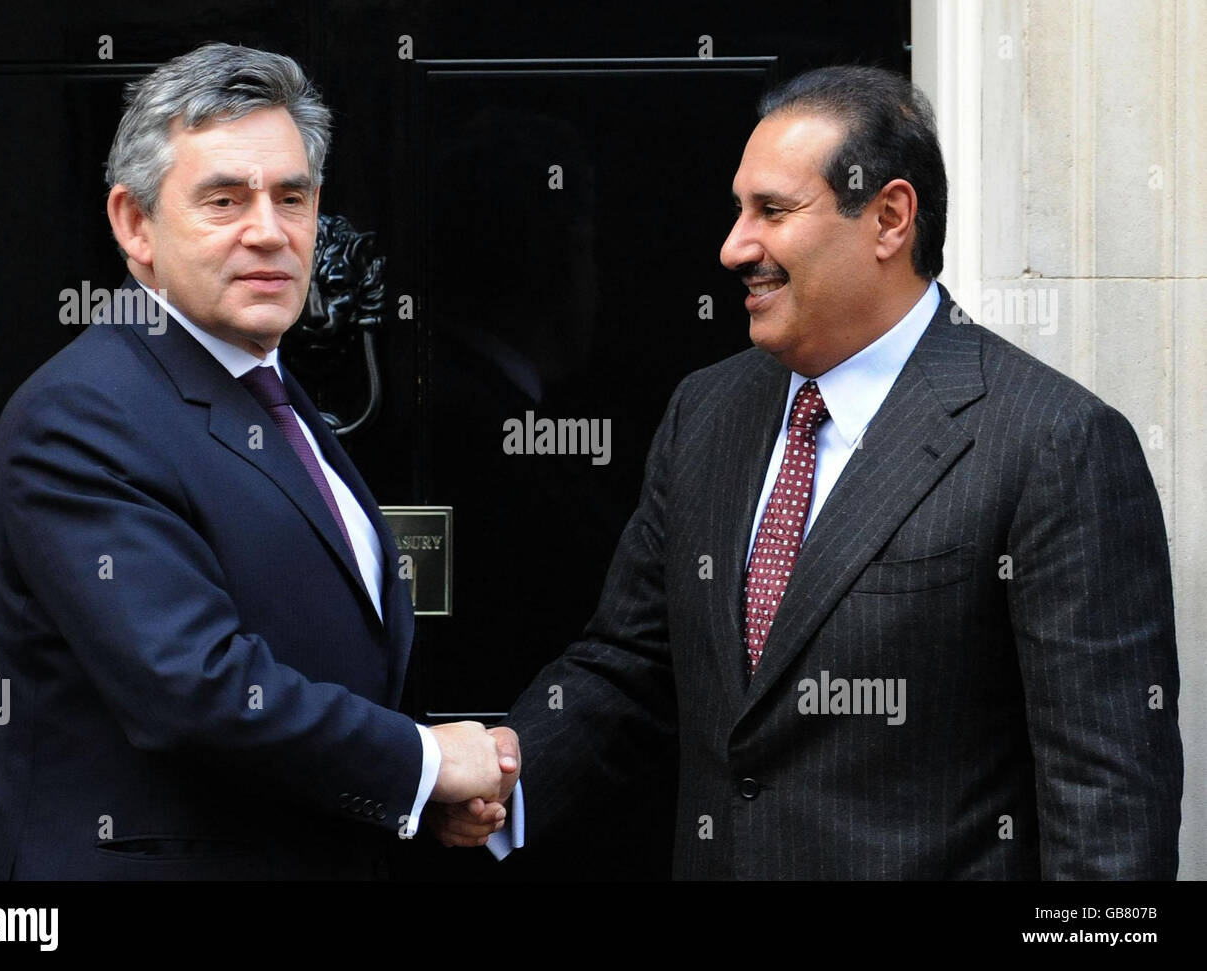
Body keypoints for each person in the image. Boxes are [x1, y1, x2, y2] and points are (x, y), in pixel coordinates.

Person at [428, 65, 1183, 879]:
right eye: (738, 209)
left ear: (889, 217)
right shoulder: (706, 411)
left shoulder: (1053, 443)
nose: (733, 246)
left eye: (773, 211)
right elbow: (632, 664)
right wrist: (502, 770)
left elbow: (1109, 811)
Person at [0, 42, 512, 879]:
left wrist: (414, 793)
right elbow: (195, 690)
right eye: (224, 199)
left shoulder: (266, 384)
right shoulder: (81, 415)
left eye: (291, 197)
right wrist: (425, 763)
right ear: (133, 223)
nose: (268, 231)